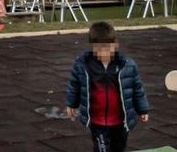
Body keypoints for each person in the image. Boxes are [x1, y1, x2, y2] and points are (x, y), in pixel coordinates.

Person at [65, 21, 151, 152]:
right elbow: (75, 85)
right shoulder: (83, 65)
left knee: (119, 148)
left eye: (107, 47)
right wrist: (71, 103)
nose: (103, 51)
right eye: (98, 48)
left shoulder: (127, 65)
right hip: (97, 121)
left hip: (120, 121)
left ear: (115, 45)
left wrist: (142, 109)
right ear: (92, 47)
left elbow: (137, 88)